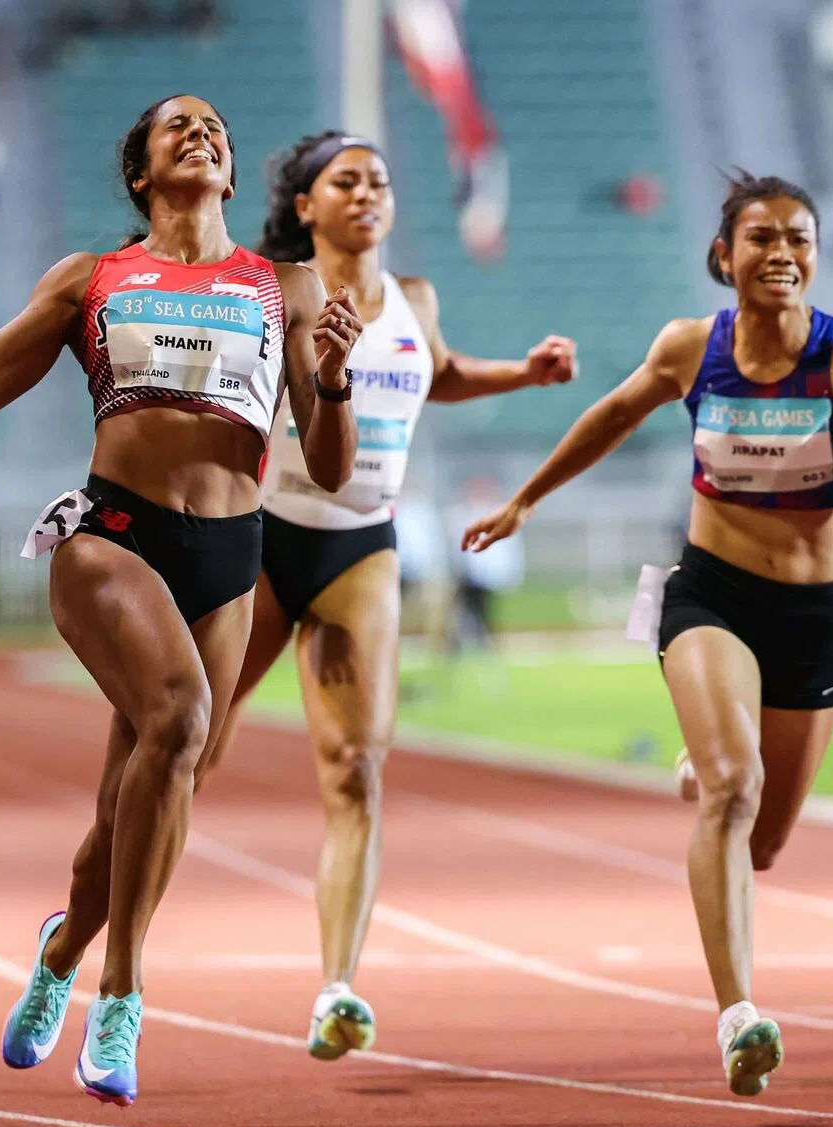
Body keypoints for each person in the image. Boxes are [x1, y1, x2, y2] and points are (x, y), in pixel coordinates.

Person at [0, 94, 361, 1108]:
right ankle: (124, 995)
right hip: (111, 538)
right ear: (140, 174)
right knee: (183, 721)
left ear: (233, 176)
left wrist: (330, 381)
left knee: (145, 787)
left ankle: (62, 951)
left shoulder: (283, 286)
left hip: (229, 556)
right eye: (179, 127)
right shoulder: (94, 279)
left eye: (217, 127)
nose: (203, 133)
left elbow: (329, 473)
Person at [462, 172, 833, 1096]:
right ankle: (738, 1018)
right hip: (711, 595)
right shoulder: (691, 348)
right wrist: (525, 498)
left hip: (814, 610)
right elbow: (610, 414)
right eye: (761, 237)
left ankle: (709, 756)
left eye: (798, 237)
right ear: (724, 256)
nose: (782, 253)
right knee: (734, 788)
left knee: (760, 844)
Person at [194, 130, 576, 1061]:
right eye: (346, 181)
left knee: (358, 767)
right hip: (263, 531)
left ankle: (336, 989)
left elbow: (434, 374)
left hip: (362, 543)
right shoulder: (275, 290)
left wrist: (519, 374)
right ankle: (115, 931)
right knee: (188, 740)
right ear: (307, 204)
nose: (368, 192)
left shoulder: (416, 299)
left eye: (380, 180)